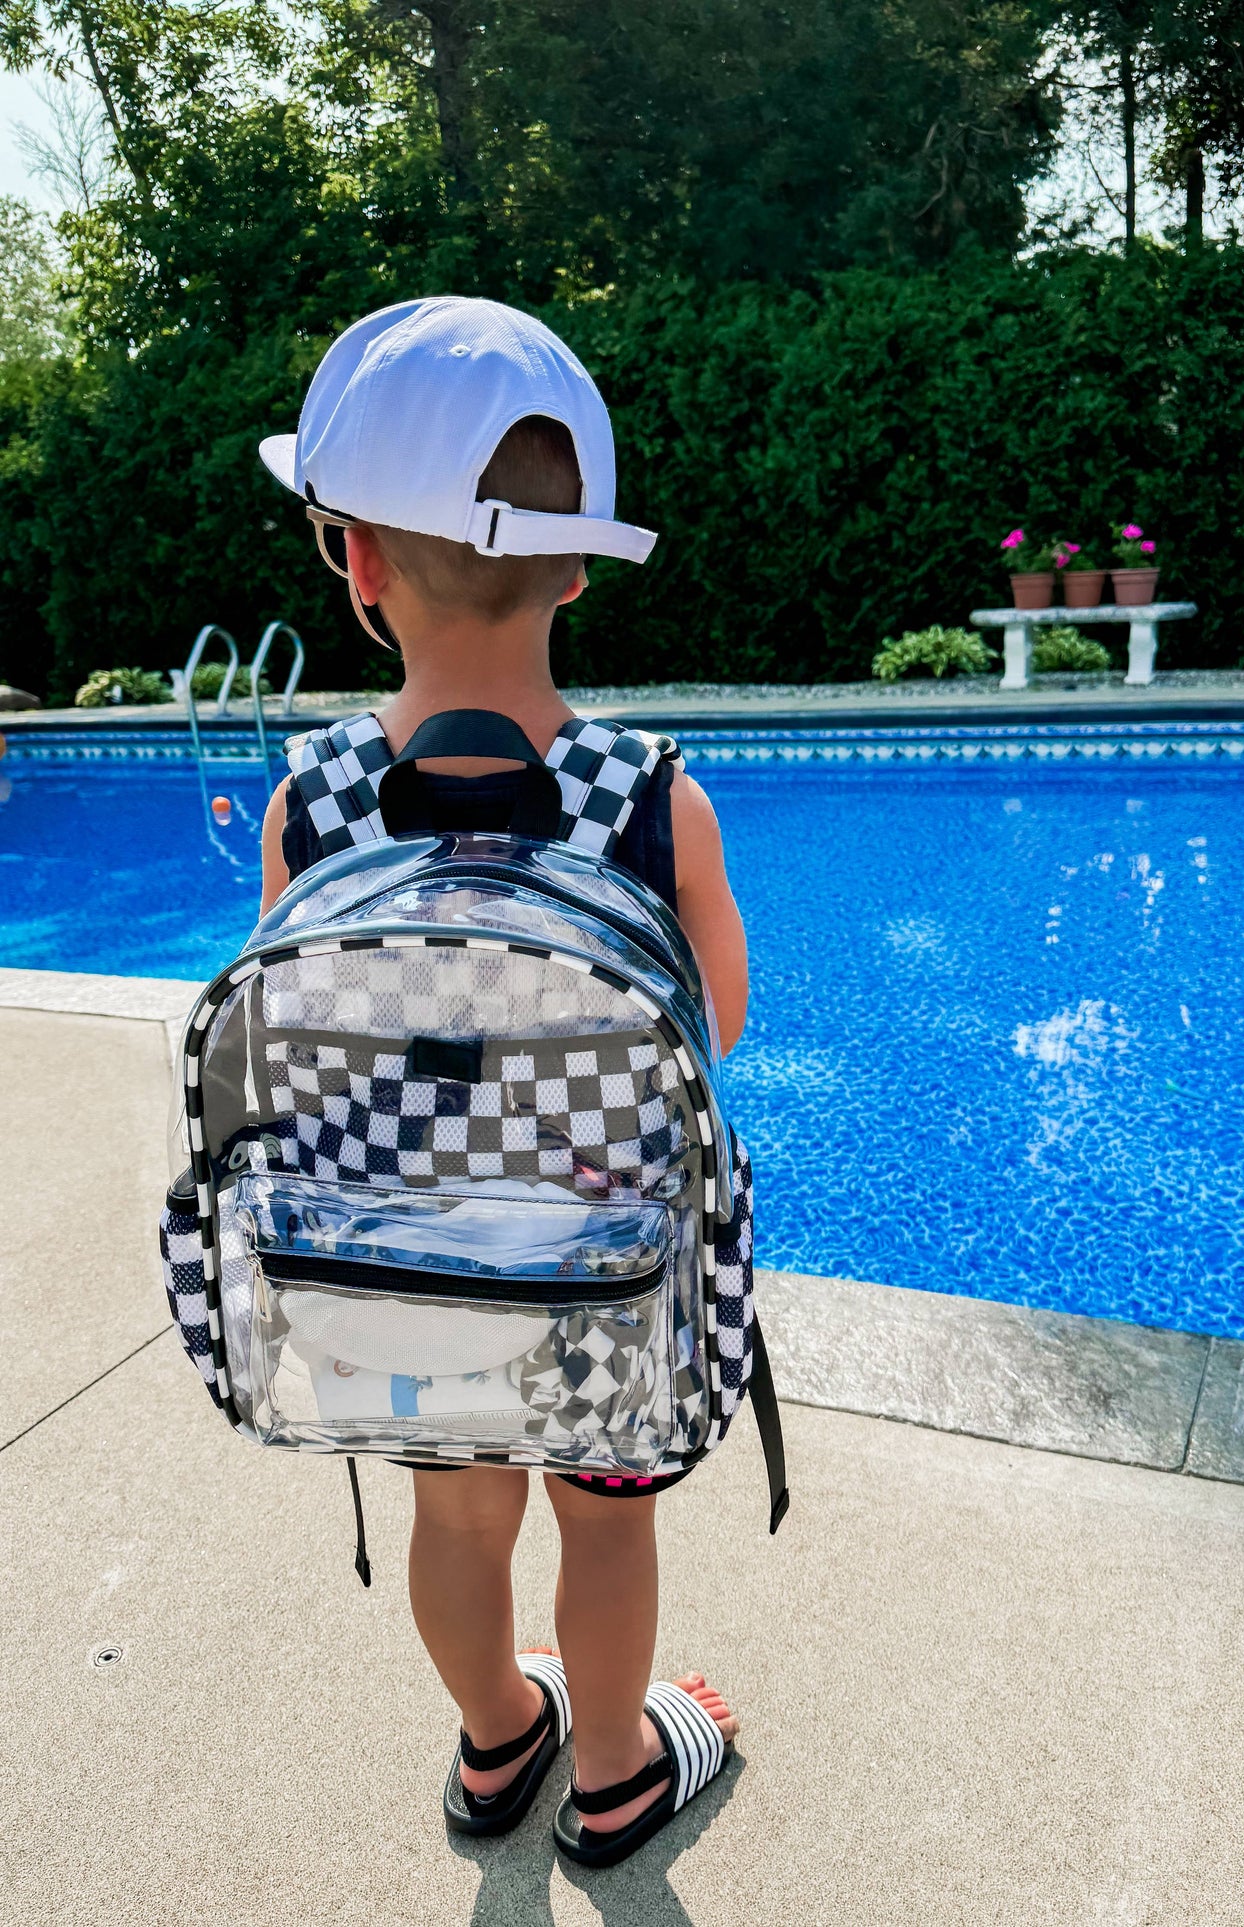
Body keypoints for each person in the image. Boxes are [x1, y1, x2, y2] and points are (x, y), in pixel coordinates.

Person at [254, 297, 748, 1864]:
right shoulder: (650, 795)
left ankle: (493, 1745)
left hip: (396, 1268)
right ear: (582, 563)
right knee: (607, 1522)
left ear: (357, 563)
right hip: (595, 1271)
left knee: (453, 1516)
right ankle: (612, 1771)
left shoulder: (316, 796)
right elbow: (711, 1025)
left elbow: (289, 1033)